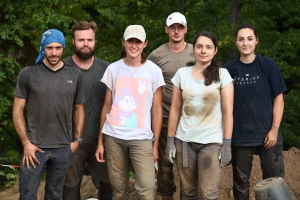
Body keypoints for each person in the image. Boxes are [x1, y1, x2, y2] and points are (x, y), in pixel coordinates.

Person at [12, 29, 85, 200]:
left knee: (54, 195)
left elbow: (79, 109)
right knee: (27, 196)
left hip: (63, 148)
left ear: (64, 48)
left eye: (58, 48)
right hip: (34, 149)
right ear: (42, 48)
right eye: (49, 48)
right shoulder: (28, 74)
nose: (54, 53)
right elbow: (17, 111)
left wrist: (77, 140)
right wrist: (26, 143)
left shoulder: (74, 75)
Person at [95, 25, 165, 199]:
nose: (134, 45)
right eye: (130, 41)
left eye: (138, 41)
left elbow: (157, 110)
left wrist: (155, 145)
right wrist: (100, 142)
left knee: (147, 187)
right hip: (114, 136)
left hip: (141, 137)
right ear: (123, 42)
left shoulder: (153, 71)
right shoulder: (113, 69)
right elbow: (106, 106)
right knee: (118, 189)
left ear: (145, 44)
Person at [165, 31, 234, 199]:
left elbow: (228, 111)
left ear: (215, 50)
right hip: (184, 141)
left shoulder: (223, 75)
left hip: (211, 142)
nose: (204, 51)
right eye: (200, 46)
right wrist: (170, 140)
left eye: (208, 47)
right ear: (193, 49)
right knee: (188, 192)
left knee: (208, 193)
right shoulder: (182, 74)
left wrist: (226, 143)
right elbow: (174, 109)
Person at [223, 23, 286, 200]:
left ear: (256, 41)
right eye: (241, 39)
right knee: (241, 182)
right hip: (240, 136)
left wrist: (274, 129)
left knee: (275, 181)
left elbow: (279, 98)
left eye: (250, 38)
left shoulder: (268, 65)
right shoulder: (228, 69)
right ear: (236, 42)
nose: (245, 43)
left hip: (268, 134)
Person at [62, 21, 112, 200]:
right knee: (70, 187)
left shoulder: (106, 68)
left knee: (108, 186)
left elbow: (113, 103)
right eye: (81, 40)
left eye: (89, 40)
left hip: (101, 138)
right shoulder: (62, 68)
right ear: (73, 41)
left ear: (95, 40)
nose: (85, 43)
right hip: (71, 140)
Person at [147, 12, 194, 200]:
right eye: (172, 27)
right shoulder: (156, 55)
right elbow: (146, 85)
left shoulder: (196, 51)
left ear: (186, 30)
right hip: (165, 119)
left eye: (180, 27)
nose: (176, 31)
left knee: (188, 165)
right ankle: (166, 196)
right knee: (166, 165)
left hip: (192, 121)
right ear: (166, 29)